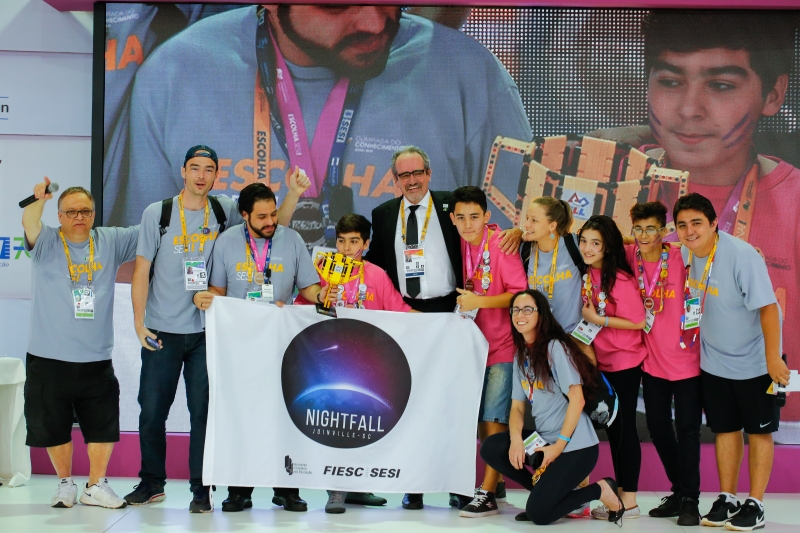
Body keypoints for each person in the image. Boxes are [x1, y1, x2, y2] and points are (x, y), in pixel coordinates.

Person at [120, 5, 532, 246]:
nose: (373, 22)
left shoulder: (472, 75)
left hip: (415, 371)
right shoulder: (176, 72)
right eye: (337, 6)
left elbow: (519, 257)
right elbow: (147, 262)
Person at [597, 10, 800, 423]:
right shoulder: (605, 184)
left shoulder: (793, 199)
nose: (689, 109)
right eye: (670, 82)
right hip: (631, 410)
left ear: (774, 94)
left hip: (769, 417)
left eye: (721, 85)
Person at [125, 145, 309, 512]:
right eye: (195, 168)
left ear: (215, 175)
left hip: (210, 333)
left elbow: (271, 226)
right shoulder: (158, 213)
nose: (201, 176)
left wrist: (293, 195)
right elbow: (141, 269)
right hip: (163, 329)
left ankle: (201, 489)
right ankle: (151, 482)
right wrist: (137, 321)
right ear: (183, 170)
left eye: (209, 169)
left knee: (204, 414)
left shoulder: (223, 209)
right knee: (151, 411)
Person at [365, 145, 520, 510]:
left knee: (456, 406)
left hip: (454, 314)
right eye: (404, 175)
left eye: (418, 172)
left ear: (429, 173)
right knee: (412, 403)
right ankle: (413, 484)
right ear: (396, 180)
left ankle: (461, 483)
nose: (412, 180)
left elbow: (484, 233)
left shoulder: (453, 206)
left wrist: (515, 233)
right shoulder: (384, 214)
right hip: (407, 317)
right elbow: (373, 266)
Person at [191, 182, 325, 513]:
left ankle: (287, 488)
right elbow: (218, 291)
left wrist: (324, 296)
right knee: (242, 416)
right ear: (245, 215)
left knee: (286, 413)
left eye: (274, 213)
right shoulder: (226, 243)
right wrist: (204, 297)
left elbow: (309, 287)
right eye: (262, 216)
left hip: (283, 344)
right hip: (241, 347)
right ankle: (239, 490)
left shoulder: (292, 239)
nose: (270, 221)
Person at [673, 193, 788, 532]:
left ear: (713, 224)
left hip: (755, 362)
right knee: (725, 429)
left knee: (758, 431)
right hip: (714, 362)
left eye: (697, 223)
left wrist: (772, 359)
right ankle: (728, 497)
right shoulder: (683, 253)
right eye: (682, 225)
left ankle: (756, 504)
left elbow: (768, 309)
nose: (689, 231)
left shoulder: (741, 256)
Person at [21, 179, 138, 509]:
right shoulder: (46, 241)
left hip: (96, 357)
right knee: (53, 425)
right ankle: (65, 484)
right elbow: (29, 221)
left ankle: (95, 485)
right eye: (71, 211)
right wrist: (37, 199)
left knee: (102, 426)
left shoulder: (110, 241)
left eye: (85, 211)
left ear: (94, 213)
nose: (79, 217)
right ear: (59, 215)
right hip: (48, 357)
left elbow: (150, 231)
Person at [479, 289, 624, 525]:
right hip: (544, 442)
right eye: (515, 309)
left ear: (541, 315)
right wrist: (516, 440)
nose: (520, 314)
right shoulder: (520, 356)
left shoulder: (555, 347)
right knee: (492, 447)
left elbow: (577, 399)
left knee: (539, 514)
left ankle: (600, 490)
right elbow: (517, 407)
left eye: (528, 309)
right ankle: (543, 495)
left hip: (575, 448)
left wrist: (558, 447)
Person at [448, 186, 527, 518]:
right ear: (452, 219)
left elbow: (520, 295)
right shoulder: (461, 244)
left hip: (502, 347)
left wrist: (477, 301)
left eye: (475, 217)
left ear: (487, 216)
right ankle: (495, 484)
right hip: (473, 348)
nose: (468, 224)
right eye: (461, 218)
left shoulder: (501, 245)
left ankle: (487, 494)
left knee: (493, 419)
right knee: (479, 419)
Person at [624, 201, 702, 526]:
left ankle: (690, 502)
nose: (644, 236)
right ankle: (680, 491)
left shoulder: (682, 255)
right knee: (657, 428)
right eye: (638, 229)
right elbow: (597, 235)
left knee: (687, 431)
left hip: (688, 362)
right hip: (652, 364)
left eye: (651, 229)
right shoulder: (630, 257)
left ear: (664, 230)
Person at [576, 215, 647, 520]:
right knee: (613, 431)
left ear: (608, 247)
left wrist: (599, 321)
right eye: (584, 241)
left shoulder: (619, 278)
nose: (588, 248)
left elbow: (638, 321)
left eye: (596, 243)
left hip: (625, 364)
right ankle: (618, 501)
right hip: (599, 364)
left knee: (623, 430)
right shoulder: (587, 273)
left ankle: (628, 503)